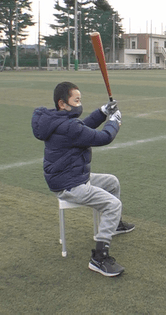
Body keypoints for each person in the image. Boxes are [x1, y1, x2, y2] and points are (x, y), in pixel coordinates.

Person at [32, 81, 134, 277]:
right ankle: (99, 258)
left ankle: (116, 225)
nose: (80, 104)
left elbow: (83, 127)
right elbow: (103, 137)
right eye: (76, 100)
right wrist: (114, 121)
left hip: (71, 176)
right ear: (63, 104)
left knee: (112, 182)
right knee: (113, 205)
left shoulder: (57, 121)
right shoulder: (68, 127)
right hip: (70, 184)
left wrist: (103, 111)